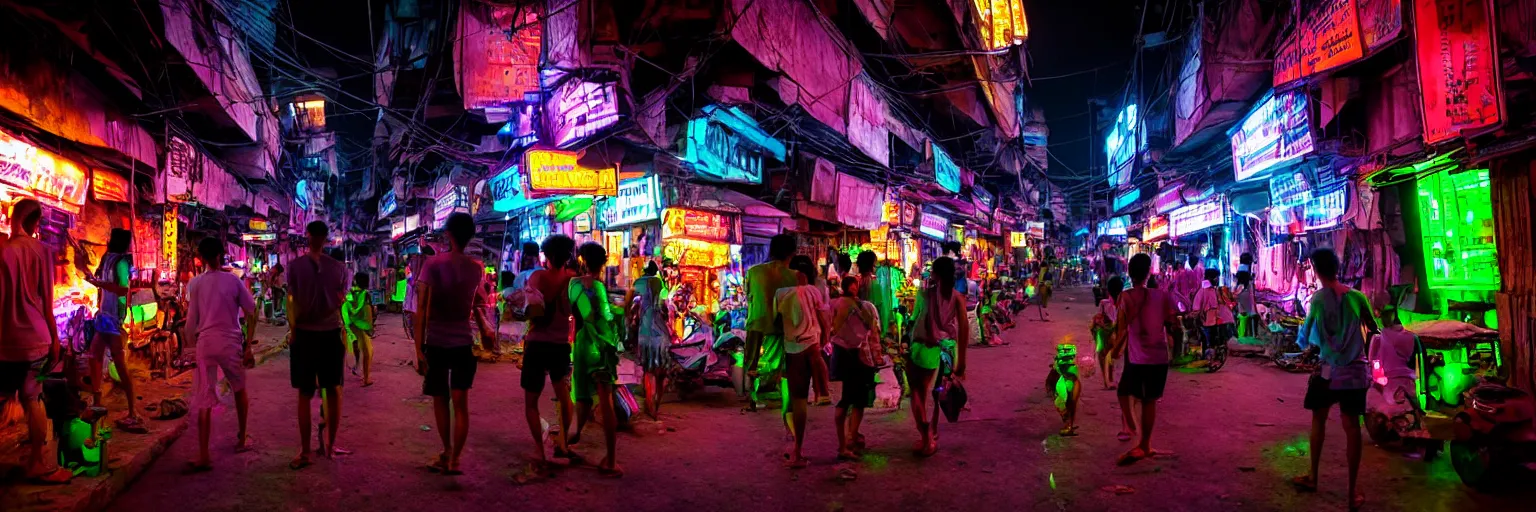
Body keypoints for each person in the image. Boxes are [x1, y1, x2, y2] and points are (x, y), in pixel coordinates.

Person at [1292, 249, 1377, 511]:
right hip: (1355, 372)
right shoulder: (1358, 296)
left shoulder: (1317, 299)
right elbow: (1374, 328)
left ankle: (1313, 476)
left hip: (1328, 370)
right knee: (1352, 429)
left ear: (1316, 270)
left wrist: (1309, 343)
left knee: (1318, 420)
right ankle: (1351, 494)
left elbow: (1305, 336)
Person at [413, 213, 494, 475]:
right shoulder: (475, 268)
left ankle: (446, 451)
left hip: (436, 341)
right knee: (461, 403)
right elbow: (475, 304)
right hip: (462, 342)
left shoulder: (432, 265)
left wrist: (418, 348)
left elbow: (422, 309)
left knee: (440, 398)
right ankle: (455, 458)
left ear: (447, 234)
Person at [0, 199, 73, 483]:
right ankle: (37, 463)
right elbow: (47, 303)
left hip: (6, 340)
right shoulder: (42, 251)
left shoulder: (4, 251)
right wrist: (55, 338)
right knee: (34, 399)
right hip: (37, 340)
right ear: (34, 222)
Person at [183, 237, 258, 472]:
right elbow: (252, 310)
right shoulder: (233, 281)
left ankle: (204, 454)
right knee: (239, 389)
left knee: (204, 398)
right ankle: (242, 438)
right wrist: (248, 346)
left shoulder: (194, 284)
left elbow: (190, 322)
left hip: (205, 343)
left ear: (202, 259)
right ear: (220, 255)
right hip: (230, 342)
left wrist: (190, 347)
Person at [285, 221, 350, 469]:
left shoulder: (294, 267)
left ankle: (305, 451)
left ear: (308, 236)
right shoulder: (339, 269)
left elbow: (291, 302)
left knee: (305, 393)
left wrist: (292, 330)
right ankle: (331, 447)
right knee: (333, 390)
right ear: (326, 238)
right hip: (330, 333)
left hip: (304, 334)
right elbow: (339, 300)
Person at [1111, 253, 1177, 466]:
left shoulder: (1126, 296)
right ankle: (1145, 444)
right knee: (1149, 401)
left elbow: (1120, 326)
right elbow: (1172, 324)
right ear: (1149, 272)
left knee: (1124, 391)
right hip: (1159, 357)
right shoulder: (1162, 296)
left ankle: (1131, 427)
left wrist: (1114, 349)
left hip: (1138, 357)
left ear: (1129, 273)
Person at [520, 235, 578, 476]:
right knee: (564, 397)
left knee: (531, 403)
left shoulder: (537, 277)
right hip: (560, 344)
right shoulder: (573, 281)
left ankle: (540, 450)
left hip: (537, 344)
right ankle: (562, 444)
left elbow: (529, 311)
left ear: (546, 254)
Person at [78, 228, 145, 433]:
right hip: (106, 316)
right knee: (94, 356)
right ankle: (98, 401)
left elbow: (122, 289)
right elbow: (102, 283)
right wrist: (91, 278)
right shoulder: (112, 259)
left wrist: (98, 283)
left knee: (116, 363)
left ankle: (133, 411)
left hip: (113, 317)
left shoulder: (118, 262)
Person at [568, 242, 623, 476]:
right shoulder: (599, 287)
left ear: (582, 260)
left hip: (581, 345)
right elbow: (606, 315)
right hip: (601, 346)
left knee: (582, 398)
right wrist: (622, 309)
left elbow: (577, 312)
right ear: (603, 263)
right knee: (606, 402)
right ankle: (610, 460)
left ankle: (571, 437)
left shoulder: (572, 284)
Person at [908, 256, 969, 457]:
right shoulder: (957, 298)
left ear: (934, 274)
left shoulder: (924, 294)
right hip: (947, 351)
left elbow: (915, 318)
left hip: (925, 348)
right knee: (936, 392)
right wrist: (961, 363)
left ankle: (926, 434)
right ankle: (933, 434)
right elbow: (963, 331)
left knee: (918, 392)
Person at [774, 257, 829, 468]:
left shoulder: (781, 294)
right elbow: (824, 321)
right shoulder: (814, 292)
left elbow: (776, 323)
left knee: (797, 400)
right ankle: (797, 448)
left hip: (792, 349)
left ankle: (796, 448)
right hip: (812, 347)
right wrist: (824, 340)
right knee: (802, 401)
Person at [742, 234, 799, 412]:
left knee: (751, 362)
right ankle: (769, 395)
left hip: (756, 322)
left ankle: (751, 395)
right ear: (792, 253)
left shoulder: (753, 271)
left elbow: (748, 295)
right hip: (778, 325)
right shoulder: (795, 276)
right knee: (775, 363)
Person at [829, 276, 880, 461]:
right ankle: (849, 438)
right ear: (855, 287)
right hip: (859, 358)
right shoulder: (866, 307)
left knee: (844, 400)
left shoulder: (834, 305)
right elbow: (874, 335)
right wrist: (877, 357)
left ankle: (845, 442)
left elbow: (828, 329)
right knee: (856, 401)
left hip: (839, 357)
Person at [628, 261, 672, 419]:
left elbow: (631, 305)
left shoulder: (638, 282)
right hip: (662, 332)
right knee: (662, 372)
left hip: (645, 331)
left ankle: (650, 405)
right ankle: (656, 404)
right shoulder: (658, 283)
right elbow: (665, 306)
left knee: (649, 371)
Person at [791, 255, 833, 407]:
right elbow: (825, 311)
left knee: (811, 361)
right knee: (815, 361)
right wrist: (826, 333)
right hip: (814, 329)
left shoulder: (794, 287)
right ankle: (821, 393)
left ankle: (818, 393)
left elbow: (823, 310)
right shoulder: (819, 285)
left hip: (802, 330)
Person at [1191, 268, 1236, 365]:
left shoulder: (1214, 290)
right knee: (1207, 341)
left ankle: (1211, 358)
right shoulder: (1202, 291)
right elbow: (1196, 307)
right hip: (1206, 322)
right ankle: (1206, 359)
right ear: (1210, 278)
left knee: (1212, 341)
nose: (1217, 279)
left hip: (1214, 321)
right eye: (1216, 278)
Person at [345, 273, 376, 386]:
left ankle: (357, 366)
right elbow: (367, 311)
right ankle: (366, 378)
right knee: (368, 351)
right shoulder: (365, 294)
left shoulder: (351, 292)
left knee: (357, 347)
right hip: (362, 325)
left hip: (352, 324)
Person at [1093, 276, 1124, 389]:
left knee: (1102, 353)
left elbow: (1099, 319)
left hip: (1110, 334)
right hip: (1119, 335)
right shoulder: (1123, 303)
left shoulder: (1104, 303)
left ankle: (1108, 380)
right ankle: (1111, 379)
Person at [402, 246, 435, 341]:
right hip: (415, 293)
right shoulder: (415, 263)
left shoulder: (415, 263)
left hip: (416, 294)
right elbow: (410, 279)